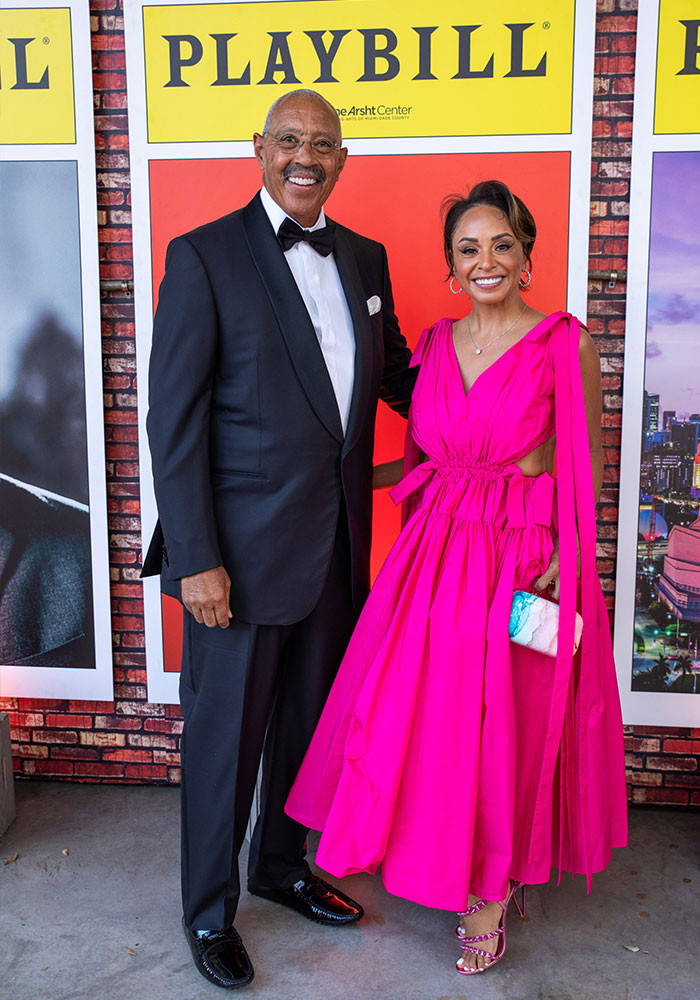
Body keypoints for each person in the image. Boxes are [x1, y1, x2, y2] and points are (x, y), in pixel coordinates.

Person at [286, 180, 628, 976]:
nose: (486, 261)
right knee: (427, 715)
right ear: (451, 267)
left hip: (517, 553)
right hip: (433, 555)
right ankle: (433, 852)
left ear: (527, 256)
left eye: (501, 245)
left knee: (502, 720)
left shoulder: (563, 343)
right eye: (469, 249)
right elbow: (422, 460)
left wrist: (569, 557)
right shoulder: (435, 346)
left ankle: (490, 888)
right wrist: (327, 477)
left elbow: (589, 466)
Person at [142, 89, 416, 989]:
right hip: (238, 562)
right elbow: (172, 421)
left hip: (337, 551)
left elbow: (406, 381)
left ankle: (281, 865)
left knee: (309, 733)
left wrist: (501, 382)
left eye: (325, 144)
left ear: (342, 159)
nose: (308, 156)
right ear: (259, 149)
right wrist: (197, 560)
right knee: (224, 745)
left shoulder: (366, 260)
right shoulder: (206, 257)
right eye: (290, 141)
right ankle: (209, 914)